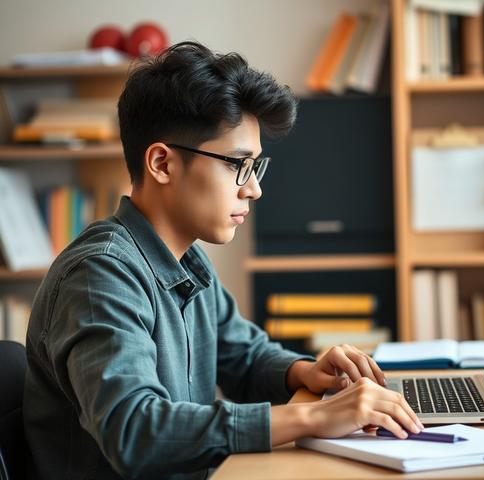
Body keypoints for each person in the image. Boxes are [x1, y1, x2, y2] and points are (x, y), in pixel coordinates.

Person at [23, 41, 421, 479]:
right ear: (161, 163)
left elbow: (244, 357)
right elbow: (134, 429)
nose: (253, 189)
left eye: (255, 167)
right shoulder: (100, 275)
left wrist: (305, 373)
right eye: (237, 165)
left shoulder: (187, 260)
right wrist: (313, 418)